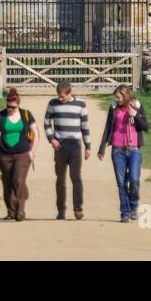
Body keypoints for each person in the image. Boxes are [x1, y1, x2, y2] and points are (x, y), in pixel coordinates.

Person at [97, 85, 149, 222]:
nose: (117, 99)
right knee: (121, 183)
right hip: (117, 150)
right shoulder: (114, 108)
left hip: (134, 150)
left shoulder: (137, 107)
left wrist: (135, 115)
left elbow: (145, 127)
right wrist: (102, 148)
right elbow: (108, 127)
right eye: (116, 97)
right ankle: (125, 212)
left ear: (126, 96)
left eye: (119, 97)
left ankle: (133, 207)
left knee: (134, 179)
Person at [44, 80, 91, 220]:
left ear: (70, 93)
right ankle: (61, 210)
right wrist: (52, 139)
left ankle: (78, 209)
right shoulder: (53, 104)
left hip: (75, 145)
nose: (60, 98)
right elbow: (46, 123)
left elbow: (85, 127)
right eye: (58, 95)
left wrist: (88, 146)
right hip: (59, 145)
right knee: (60, 178)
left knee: (76, 177)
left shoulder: (81, 104)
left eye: (62, 96)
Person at [0, 87, 38, 220]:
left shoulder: (26, 114)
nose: (10, 109)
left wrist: (32, 151)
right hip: (5, 155)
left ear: (18, 104)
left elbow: (36, 133)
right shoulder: (0, 116)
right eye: (8, 106)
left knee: (18, 180)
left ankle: (20, 210)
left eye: (13, 107)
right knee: (8, 182)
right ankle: (11, 212)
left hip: (23, 153)